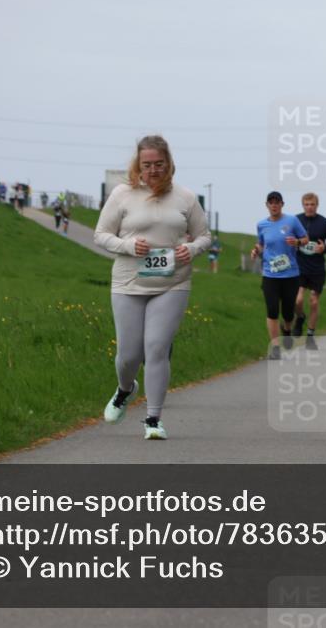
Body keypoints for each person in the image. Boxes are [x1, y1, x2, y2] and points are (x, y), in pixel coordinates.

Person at [94, 135, 210, 440]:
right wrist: (129, 246)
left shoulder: (185, 197)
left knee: (157, 348)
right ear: (138, 164)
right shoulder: (122, 194)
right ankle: (125, 389)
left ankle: (153, 419)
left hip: (173, 283)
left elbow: (205, 236)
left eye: (159, 164)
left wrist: (193, 250)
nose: (154, 170)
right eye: (147, 165)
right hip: (128, 283)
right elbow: (101, 235)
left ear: (169, 163)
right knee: (129, 355)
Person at [251, 191, 308, 360]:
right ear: (267, 205)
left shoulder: (291, 221)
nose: (274, 205)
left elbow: (305, 238)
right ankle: (275, 347)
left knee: (288, 312)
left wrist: (297, 242)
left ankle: (288, 329)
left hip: (290, 274)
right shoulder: (262, 225)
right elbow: (261, 244)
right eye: (271, 202)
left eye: (277, 202)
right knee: (272, 310)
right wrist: (255, 251)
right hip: (270, 274)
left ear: (282, 204)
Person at [293, 192, 326, 351]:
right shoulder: (296, 220)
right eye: (306, 204)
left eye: (312, 204)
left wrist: (324, 248)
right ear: (303, 205)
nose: (309, 207)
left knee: (314, 301)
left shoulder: (325, 223)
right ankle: (300, 317)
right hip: (300, 266)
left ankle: (310, 336)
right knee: (297, 300)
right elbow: (289, 237)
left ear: (317, 205)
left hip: (317, 268)